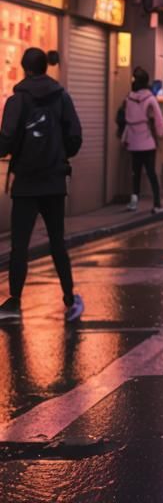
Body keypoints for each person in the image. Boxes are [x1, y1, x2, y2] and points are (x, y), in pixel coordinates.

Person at [0, 48, 85, 324]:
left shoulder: (17, 101)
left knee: (20, 245)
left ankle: (13, 302)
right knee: (57, 242)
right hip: (53, 181)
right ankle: (70, 299)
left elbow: (6, 141)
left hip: (25, 182)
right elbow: (75, 136)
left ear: (25, 68)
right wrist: (59, 155)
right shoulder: (61, 97)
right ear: (45, 68)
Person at [121, 68, 163, 213]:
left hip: (133, 141)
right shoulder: (150, 98)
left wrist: (124, 137)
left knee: (136, 173)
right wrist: (160, 133)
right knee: (151, 173)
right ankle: (157, 203)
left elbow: (127, 121)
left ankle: (134, 201)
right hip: (147, 141)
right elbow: (159, 120)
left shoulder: (129, 98)